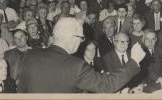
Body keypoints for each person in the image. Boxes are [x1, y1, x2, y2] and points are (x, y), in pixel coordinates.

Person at [17, 17, 146, 93]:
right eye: (81, 38)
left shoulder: (30, 54)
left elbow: (21, 91)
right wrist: (134, 61)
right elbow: (108, 85)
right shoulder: (76, 66)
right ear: (73, 37)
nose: (81, 42)